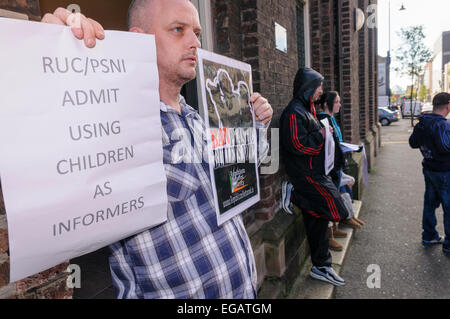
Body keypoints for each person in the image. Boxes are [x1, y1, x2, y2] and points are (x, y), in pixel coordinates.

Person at [42, 0, 273, 298]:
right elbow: (53, 147)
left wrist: (253, 126)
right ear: (140, 39)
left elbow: (239, 177)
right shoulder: (117, 124)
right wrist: (49, 50)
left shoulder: (195, 116)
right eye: (178, 30)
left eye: (197, 32)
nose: (194, 43)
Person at [280, 68, 349, 286]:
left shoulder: (307, 110)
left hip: (318, 172)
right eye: (318, 87)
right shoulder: (294, 112)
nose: (321, 91)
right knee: (339, 211)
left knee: (317, 220)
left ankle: (321, 266)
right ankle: (294, 196)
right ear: (308, 87)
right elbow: (297, 145)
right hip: (307, 176)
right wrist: (321, 135)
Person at [317, 91, 364, 239]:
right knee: (333, 197)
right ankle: (332, 232)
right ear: (326, 104)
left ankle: (342, 221)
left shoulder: (332, 119)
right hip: (330, 166)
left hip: (336, 164)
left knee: (341, 191)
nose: (339, 105)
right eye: (336, 102)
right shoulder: (323, 120)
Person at [409, 92, 450, 254]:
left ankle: (429, 234)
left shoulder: (423, 122)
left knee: (430, 203)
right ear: (447, 105)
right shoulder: (442, 124)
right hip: (444, 172)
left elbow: (413, 143)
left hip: (429, 168)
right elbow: (445, 147)